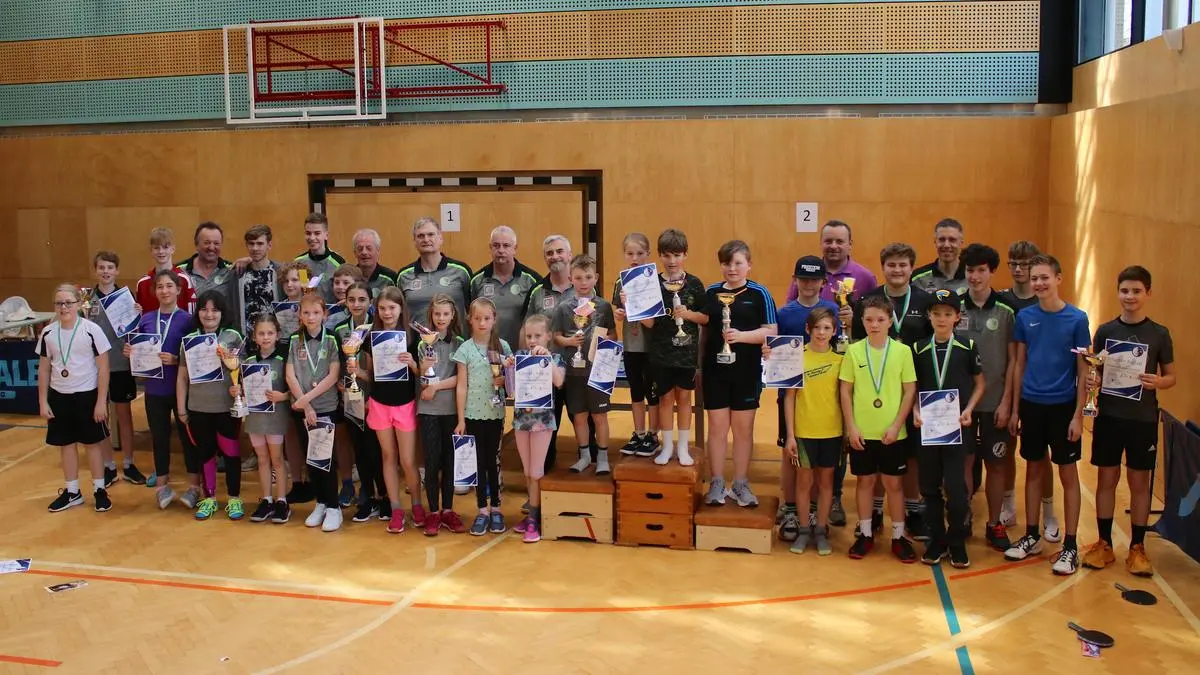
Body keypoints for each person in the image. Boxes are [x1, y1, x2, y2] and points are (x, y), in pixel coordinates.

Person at [1082, 266, 1175, 577]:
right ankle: (1104, 544)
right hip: (1109, 418)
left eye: (1136, 291)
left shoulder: (1159, 334)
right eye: (1125, 290)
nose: (1130, 296)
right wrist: (1093, 380)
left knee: (1139, 483)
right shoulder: (1106, 331)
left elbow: (1171, 376)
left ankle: (1137, 547)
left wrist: (1158, 382)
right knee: (1106, 480)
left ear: (1148, 293)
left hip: (1142, 420)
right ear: (1118, 293)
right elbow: (1096, 370)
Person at [1004, 254, 1090, 575]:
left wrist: (1078, 416)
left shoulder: (1077, 319)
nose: (1039, 283)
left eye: (1044, 277)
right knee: (1033, 470)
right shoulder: (1025, 317)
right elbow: (1019, 364)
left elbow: (1084, 370)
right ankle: (1031, 535)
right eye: (1034, 278)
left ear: (1058, 278)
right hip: (1031, 405)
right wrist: (1015, 409)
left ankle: (1070, 546)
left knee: (1067, 474)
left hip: (1063, 407)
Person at [853, 243, 933, 538]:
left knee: (910, 455)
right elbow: (857, 344)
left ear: (912, 268)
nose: (897, 270)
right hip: (876, 387)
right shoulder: (868, 301)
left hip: (914, 387)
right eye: (891, 265)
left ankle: (913, 511)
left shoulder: (924, 301)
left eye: (903, 265)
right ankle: (874, 511)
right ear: (883, 268)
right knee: (875, 450)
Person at [839, 295, 918, 563]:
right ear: (861, 321)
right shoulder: (853, 351)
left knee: (894, 484)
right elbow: (845, 391)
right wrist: (851, 427)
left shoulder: (902, 352)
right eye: (869, 319)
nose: (874, 325)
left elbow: (909, 391)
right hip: (862, 432)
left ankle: (898, 536)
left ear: (890, 321)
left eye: (880, 320)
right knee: (865, 482)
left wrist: (897, 425)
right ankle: (865, 533)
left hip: (892, 433)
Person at [702, 240, 777, 507]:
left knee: (743, 430)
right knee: (717, 428)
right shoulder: (711, 292)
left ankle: (741, 483)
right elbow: (704, 332)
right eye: (726, 263)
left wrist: (741, 336)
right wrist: (698, 367)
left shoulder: (760, 293)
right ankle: (717, 482)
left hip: (747, 373)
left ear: (749, 265)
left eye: (737, 263)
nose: (732, 268)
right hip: (715, 372)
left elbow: (771, 331)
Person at [913, 290, 985, 568]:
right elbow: (912, 388)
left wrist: (969, 410)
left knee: (956, 489)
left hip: (957, 428)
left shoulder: (967, 346)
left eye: (947, 314)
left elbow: (980, 384)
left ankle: (956, 541)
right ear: (929, 316)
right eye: (936, 314)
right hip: (928, 429)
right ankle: (937, 540)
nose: (941, 319)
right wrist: (915, 411)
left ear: (957, 317)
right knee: (929, 488)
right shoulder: (918, 349)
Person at [774, 256, 840, 539]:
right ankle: (791, 508)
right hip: (792, 396)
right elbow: (775, 350)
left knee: (821, 465)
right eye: (804, 279)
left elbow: (840, 350)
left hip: (825, 399)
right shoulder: (785, 313)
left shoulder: (834, 310)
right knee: (790, 454)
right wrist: (769, 354)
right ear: (795, 280)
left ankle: (814, 510)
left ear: (823, 282)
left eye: (814, 279)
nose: (809, 284)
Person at [958, 243, 1018, 552]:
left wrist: (1008, 402)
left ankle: (995, 523)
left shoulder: (1008, 310)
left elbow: (1014, 361)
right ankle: (964, 517)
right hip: (962, 405)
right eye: (970, 270)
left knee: (997, 464)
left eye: (981, 270)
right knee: (965, 462)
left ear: (992, 271)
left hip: (996, 403)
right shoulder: (954, 306)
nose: (975, 276)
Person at [351, 286, 423, 534]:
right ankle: (395, 508)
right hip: (380, 404)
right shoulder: (371, 337)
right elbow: (373, 375)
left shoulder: (413, 336)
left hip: (405, 404)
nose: (387, 312)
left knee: (408, 460)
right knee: (388, 457)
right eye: (382, 308)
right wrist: (357, 372)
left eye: (392, 307)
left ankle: (417, 504)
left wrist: (413, 364)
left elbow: (422, 375)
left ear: (401, 308)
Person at [997, 240, 1057, 535]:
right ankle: (1008, 505)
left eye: (1025, 264)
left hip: (1040, 391)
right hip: (1008, 386)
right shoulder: (1000, 300)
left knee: (1041, 456)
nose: (1019, 269)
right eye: (1014, 263)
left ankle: (1049, 511)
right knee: (1006, 450)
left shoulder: (1044, 302)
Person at [40, 284, 114, 513]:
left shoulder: (91, 330)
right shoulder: (48, 333)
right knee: (66, 444)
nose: (63, 307)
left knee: (92, 444)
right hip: (59, 396)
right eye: (59, 303)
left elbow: (104, 369)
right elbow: (44, 369)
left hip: (87, 395)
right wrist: (43, 401)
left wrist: (100, 402)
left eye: (68, 303)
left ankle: (99, 489)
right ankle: (72, 492)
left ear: (78, 304)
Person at [128, 270, 197, 510]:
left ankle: (194, 486)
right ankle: (161, 486)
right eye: (160, 287)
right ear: (154, 291)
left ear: (178, 290)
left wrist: (176, 360)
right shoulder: (146, 319)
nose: (165, 290)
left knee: (188, 439)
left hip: (180, 389)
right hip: (154, 390)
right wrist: (131, 353)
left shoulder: (188, 320)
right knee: (159, 438)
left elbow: (195, 356)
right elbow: (138, 351)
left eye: (169, 286)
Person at [176, 291, 244, 521]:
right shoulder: (189, 339)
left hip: (226, 407)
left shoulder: (232, 336)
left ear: (222, 313)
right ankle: (210, 498)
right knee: (204, 454)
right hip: (198, 407)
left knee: (231, 453)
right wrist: (182, 408)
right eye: (204, 309)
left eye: (215, 310)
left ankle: (234, 497)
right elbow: (182, 376)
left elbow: (242, 369)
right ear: (198, 312)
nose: (209, 314)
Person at [642, 228, 705, 467]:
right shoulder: (652, 284)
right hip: (660, 352)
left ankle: (683, 447)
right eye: (667, 255)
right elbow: (650, 323)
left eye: (677, 255)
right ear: (659, 255)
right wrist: (633, 308)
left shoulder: (695, 284)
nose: (672, 261)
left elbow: (706, 318)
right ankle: (667, 446)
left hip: (686, 353)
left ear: (685, 255)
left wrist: (688, 314)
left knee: (685, 398)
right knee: (665, 399)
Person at [552, 255, 618, 474]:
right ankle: (584, 456)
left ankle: (603, 458)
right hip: (573, 372)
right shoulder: (564, 308)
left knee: (599, 416)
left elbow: (614, 335)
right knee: (579, 416)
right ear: (571, 279)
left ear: (596, 278)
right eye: (579, 278)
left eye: (588, 277)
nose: (583, 282)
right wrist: (570, 342)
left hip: (597, 372)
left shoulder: (604, 306)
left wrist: (605, 340)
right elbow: (556, 336)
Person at [453, 298, 513, 536]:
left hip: (495, 413)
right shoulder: (465, 349)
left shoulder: (502, 347)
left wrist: (504, 380)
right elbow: (461, 386)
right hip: (472, 414)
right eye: (477, 318)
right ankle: (482, 509)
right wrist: (461, 419)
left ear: (494, 320)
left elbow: (511, 381)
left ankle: (496, 507)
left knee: (493, 461)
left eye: (487, 318)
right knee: (477, 463)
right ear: (470, 319)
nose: (482, 323)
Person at [285, 293, 343, 532]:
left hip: (325, 406)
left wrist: (308, 400)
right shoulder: (293, 340)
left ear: (324, 314)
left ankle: (334, 507)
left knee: (325, 459)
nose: (311, 317)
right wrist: (305, 405)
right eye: (306, 313)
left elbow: (333, 375)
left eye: (316, 312)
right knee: (310, 457)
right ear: (299, 315)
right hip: (302, 408)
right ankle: (320, 503)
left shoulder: (332, 339)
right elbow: (290, 375)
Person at [508, 314, 567, 543]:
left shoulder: (555, 358)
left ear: (549, 336)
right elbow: (510, 388)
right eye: (529, 336)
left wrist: (547, 359)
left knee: (536, 472)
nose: (532, 340)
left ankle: (535, 518)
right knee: (526, 472)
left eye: (537, 336)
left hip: (542, 422)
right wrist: (508, 368)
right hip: (521, 421)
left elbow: (559, 381)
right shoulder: (520, 356)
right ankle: (532, 513)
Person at [91, 251, 148, 486]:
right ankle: (108, 466)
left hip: (120, 365)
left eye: (110, 267)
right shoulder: (87, 300)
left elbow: (136, 331)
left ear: (117, 271)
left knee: (124, 416)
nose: (106, 271)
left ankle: (129, 463)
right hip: (94, 369)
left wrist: (138, 314)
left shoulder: (127, 298)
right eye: (101, 267)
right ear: (96, 270)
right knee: (100, 417)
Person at [523, 234, 577, 475]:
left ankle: (590, 461)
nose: (555, 256)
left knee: (582, 421)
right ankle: (542, 467)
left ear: (570, 255)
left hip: (577, 370)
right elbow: (527, 329)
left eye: (559, 251)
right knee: (546, 430)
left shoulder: (583, 286)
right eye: (550, 253)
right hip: (546, 374)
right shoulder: (537, 292)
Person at [415, 293, 467, 535]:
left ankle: (448, 510)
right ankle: (433, 512)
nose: (441, 318)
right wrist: (425, 367)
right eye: (437, 314)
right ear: (431, 315)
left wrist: (436, 387)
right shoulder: (423, 343)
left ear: (453, 315)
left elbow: (461, 378)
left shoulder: (460, 343)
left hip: (451, 410)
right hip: (428, 411)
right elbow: (423, 377)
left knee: (449, 461)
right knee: (432, 461)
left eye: (446, 314)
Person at [336, 282, 385, 524]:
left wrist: (371, 391)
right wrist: (340, 384)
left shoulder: (378, 329)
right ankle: (367, 497)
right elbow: (337, 364)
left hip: (375, 399)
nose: (356, 304)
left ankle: (384, 496)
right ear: (345, 302)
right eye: (352, 299)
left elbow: (383, 370)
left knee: (376, 451)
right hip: (351, 397)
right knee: (360, 450)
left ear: (370, 301)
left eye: (362, 299)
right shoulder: (339, 330)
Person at [612, 233, 660, 459]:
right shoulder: (620, 282)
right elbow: (618, 311)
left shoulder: (655, 281)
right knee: (636, 392)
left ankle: (653, 434)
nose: (635, 258)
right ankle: (639, 433)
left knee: (653, 393)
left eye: (640, 253)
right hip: (631, 346)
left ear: (648, 254)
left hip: (651, 347)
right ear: (624, 254)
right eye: (630, 253)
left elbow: (652, 322)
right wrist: (620, 312)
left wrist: (632, 304)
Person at [243, 313, 293, 524]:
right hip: (255, 419)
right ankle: (266, 499)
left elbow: (293, 390)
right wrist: (237, 391)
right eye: (261, 333)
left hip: (275, 418)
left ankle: (281, 500)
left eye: (270, 333)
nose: (265, 337)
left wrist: (284, 396)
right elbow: (243, 391)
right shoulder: (248, 362)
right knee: (262, 459)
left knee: (277, 459)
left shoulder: (284, 361)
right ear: (254, 337)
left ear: (277, 335)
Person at [469, 225, 540, 351]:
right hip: (485, 352)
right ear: (490, 248)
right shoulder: (477, 281)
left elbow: (538, 319)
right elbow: (469, 318)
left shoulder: (531, 280)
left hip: (521, 352)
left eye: (506, 245)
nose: (501, 250)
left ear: (515, 248)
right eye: (496, 245)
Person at [786, 220, 878, 306]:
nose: (833, 246)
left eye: (839, 241)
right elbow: (791, 307)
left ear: (850, 244)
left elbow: (873, 311)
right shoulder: (805, 272)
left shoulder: (866, 277)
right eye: (828, 241)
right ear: (821, 243)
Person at [398, 217, 472, 321]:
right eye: (420, 236)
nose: (426, 239)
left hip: (455, 332)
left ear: (440, 238)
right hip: (415, 332)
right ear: (414, 241)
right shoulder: (403, 276)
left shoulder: (461, 271)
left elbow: (473, 311)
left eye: (431, 234)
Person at [177, 222, 237, 313]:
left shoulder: (231, 270)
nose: (211, 247)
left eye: (216, 243)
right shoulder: (180, 272)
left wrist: (249, 261)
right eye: (207, 243)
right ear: (196, 244)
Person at [135, 227, 196, 313]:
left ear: (173, 249)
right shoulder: (142, 283)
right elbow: (140, 316)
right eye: (156, 248)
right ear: (151, 250)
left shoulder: (184, 280)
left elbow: (192, 315)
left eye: (165, 247)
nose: (161, 251)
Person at [236, 224, 281, 335]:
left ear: (269, 245)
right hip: (246, 338)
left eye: (260, 244)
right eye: (251, 244)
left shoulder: (280, 273)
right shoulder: (238, 274)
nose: (255, 248)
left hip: (273, 339)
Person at [294, 212, 347, 303]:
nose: (312, 238)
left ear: (326, 235)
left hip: (331, 311)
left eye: (317, 233)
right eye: (308, 233)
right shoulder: (298, 263)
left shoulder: (339, 262)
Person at [911, 218, 968, 295]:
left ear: (961, 242)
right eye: (942, 239)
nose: (946, 245)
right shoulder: (918, 279)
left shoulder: (971, 277)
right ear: (935, 241)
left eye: (952, 240)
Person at [351, 228, 399, 299]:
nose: (364, 252)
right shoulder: (349, 278)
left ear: (377, 251)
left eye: (369, 248)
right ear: (355, 253)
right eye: (360, 249)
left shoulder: (391, 278)